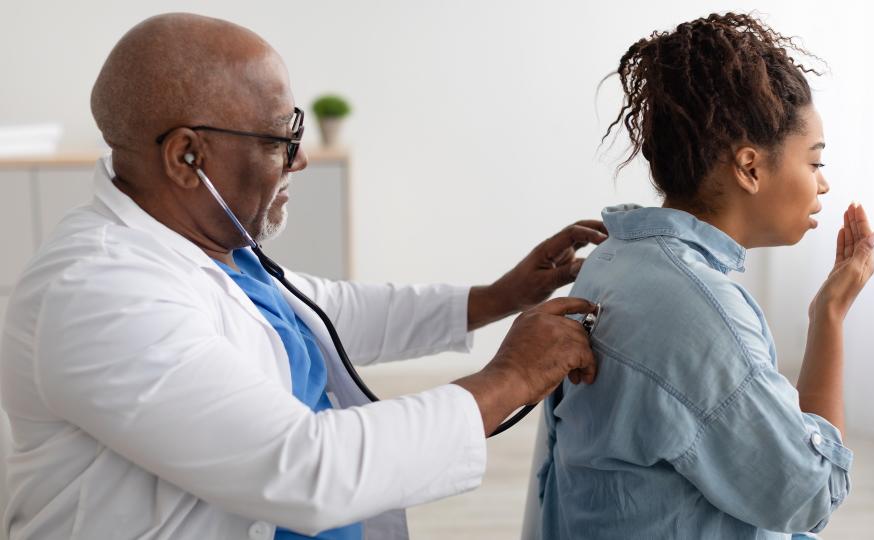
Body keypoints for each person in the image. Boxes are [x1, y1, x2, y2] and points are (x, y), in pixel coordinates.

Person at [0, 13, 606, 540]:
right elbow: (306, 468)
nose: (302, 157)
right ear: (188, 158)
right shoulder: (98, 294)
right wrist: (509, 379)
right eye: (280, 137)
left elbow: (323, 313)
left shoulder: (204, 243)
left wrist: (501, 296)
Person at [538, 12, 874, 539]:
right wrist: (828, 317)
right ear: (749, 168)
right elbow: (810, 495)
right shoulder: (698, 310)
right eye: (814, 163)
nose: (824, 185)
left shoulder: (617, 257)